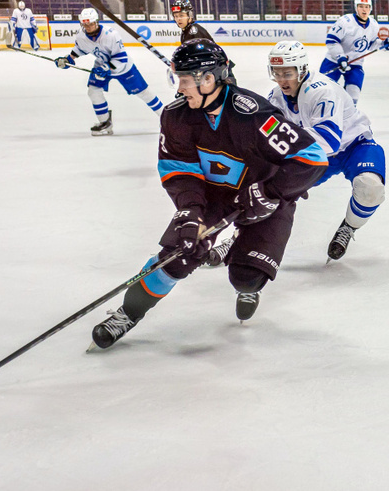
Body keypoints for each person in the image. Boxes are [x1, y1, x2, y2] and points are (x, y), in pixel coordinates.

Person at [89, 39, 328, 349]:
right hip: (212, 196)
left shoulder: (253, 113)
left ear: (209, 79)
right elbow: (180, 172)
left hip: (264, 193)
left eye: (186, 80)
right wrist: (189, 212)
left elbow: (311, 158)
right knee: (177, 254)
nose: (181, 87)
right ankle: (128, 313)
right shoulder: (176, 117)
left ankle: (242, 256)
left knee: (246, 278)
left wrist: (270, 191)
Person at [263, 41, 386, 261]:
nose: (282, 80)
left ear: (301, 70)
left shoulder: (321, 92)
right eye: (277, 73)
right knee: (268, 189)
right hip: (316, 152)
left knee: (370, 188)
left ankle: (348, 227)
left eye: (287, 73)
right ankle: (238, 236)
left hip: (354, 146)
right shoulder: (276, 97)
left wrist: (287, 158)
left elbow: (328, 140)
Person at [54, 8, 164, 136]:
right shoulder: (81, 36)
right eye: (85, 24)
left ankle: (167, 119)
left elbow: (121, 58)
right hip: (101, 66)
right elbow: (79, 50)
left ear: (97, 22)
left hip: (123, 67)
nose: (88, 27)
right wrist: (67, 60)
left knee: (144, 93)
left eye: (90, 24)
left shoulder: (111, 34)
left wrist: (107, 68)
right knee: (93, 91)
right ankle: (105, 123)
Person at [320, 0, 389, 105]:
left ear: (370, 8)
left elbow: (371, 44)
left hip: (355, 64)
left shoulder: (374, 25)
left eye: (367, 6)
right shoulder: (345, 21)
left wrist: (384, 43)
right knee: (322, 93)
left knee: (353, 96)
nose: (364, 9)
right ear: (356, 8)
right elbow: (331, 41)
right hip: (334, 62)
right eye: (361, 6)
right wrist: (340, 57)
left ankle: (348, 118)